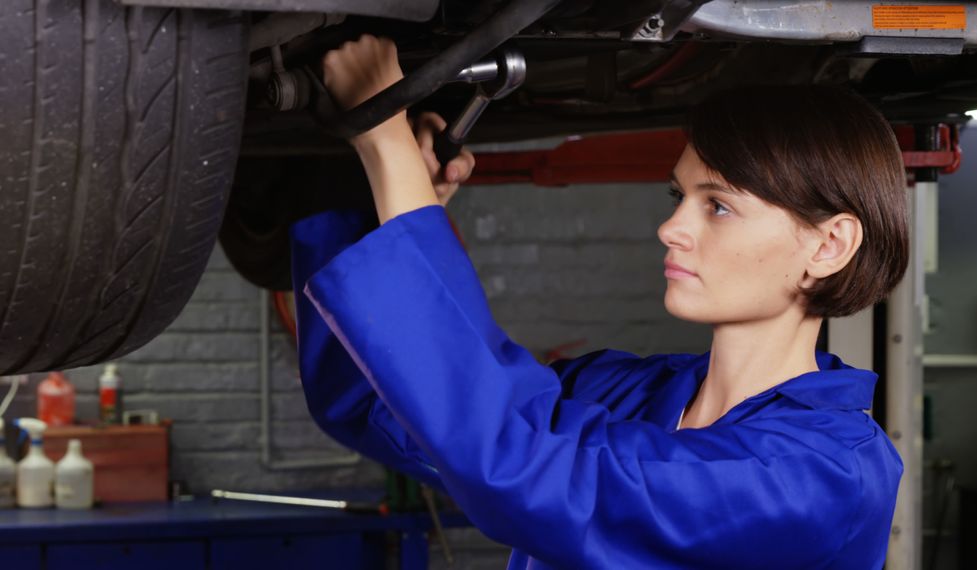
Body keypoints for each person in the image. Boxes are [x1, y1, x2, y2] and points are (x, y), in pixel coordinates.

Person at [291, 35, 907, 569]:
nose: (671, 228)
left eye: (717, 206)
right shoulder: (629, 393)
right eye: (678, 197)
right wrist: (389, 195)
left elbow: (520, 464)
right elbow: (374, 403)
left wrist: (388, 139)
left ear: (829, 246)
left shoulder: (825, 476)